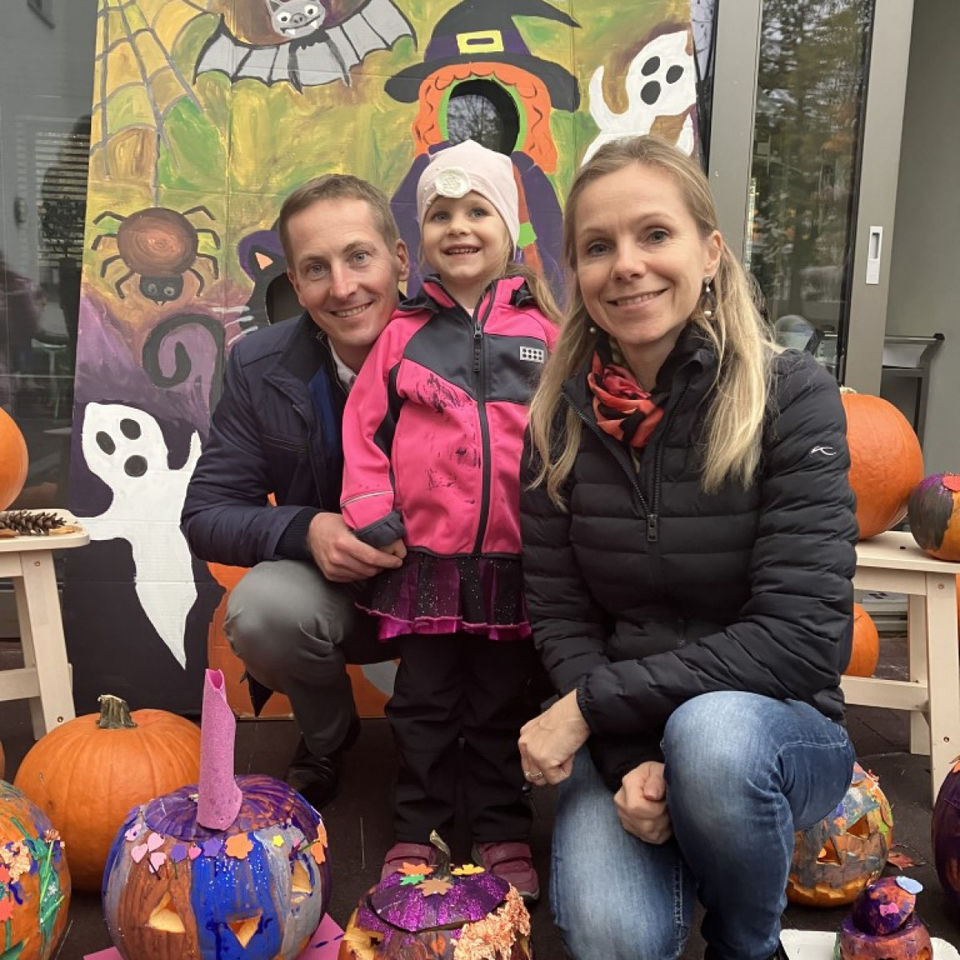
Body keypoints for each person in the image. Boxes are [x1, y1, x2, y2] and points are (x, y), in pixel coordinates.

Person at [517, 136, 858, 959]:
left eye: (655, 235)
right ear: (577, 273)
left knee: (712, 740)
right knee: (612, 936)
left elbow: (803, 636)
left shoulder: (789, 395)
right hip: (628, 737)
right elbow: (562, 617)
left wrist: (588, 711)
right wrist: (633, 758)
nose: (627, 265)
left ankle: (747, 945)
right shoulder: (557, 423)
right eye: (598, 247)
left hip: (772, 730)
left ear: (709, 252)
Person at [339, 139, 559, 899]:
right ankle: (418, 830)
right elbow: (362, 431)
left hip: (514, 562)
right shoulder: (401, 335)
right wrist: (371, 508)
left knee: (502, 704)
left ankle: (501, 830)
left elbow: (574, 436)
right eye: (441, 215)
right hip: (428, 562)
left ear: (511, 229)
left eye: (477, 211)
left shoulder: (546, 333)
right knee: (424, 704)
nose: (459, 227)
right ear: (420, 237)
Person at [181, 174, 410, 809]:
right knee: (262, 610)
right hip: (336, 590)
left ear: (399, 259)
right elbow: (206, 513)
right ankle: (328, 736)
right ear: (295, 282)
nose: (342, 287)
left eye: (359, 257)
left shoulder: (467, 350)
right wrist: (307, 529)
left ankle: (469, 744)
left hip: (451, 589)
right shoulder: (261, 366)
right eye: (316, 268)